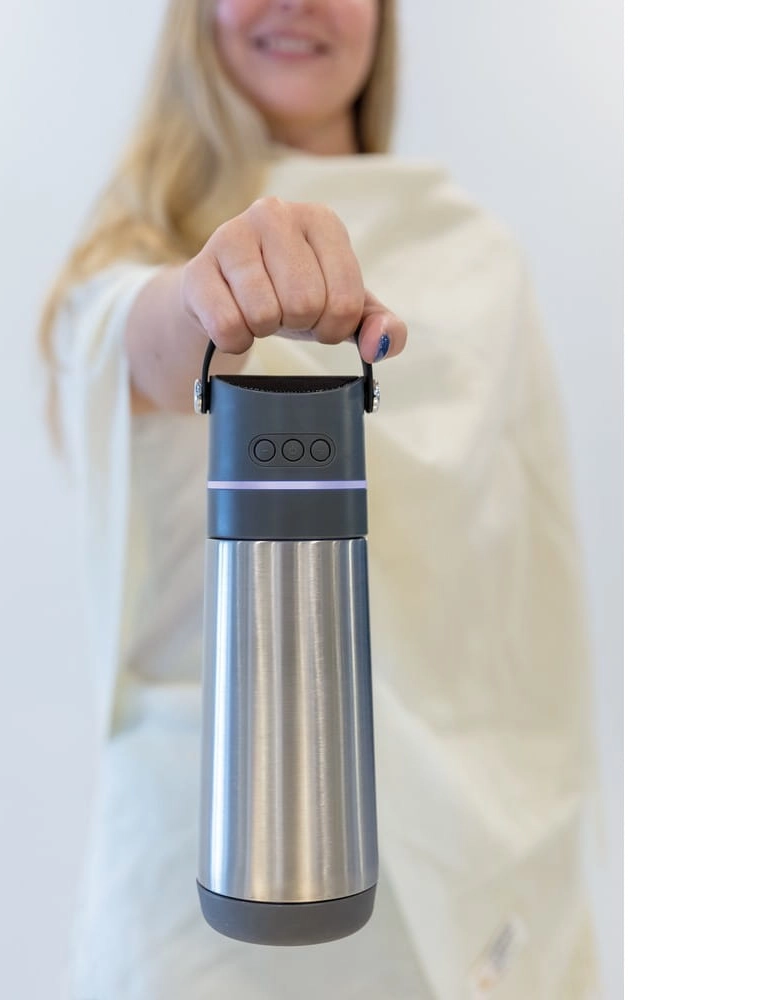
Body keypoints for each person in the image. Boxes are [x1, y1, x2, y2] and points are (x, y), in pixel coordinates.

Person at [41, 1, 598, 997]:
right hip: (192, 895)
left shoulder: (476, 254)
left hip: (447, 890)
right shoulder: (136, 248)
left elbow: (525, 595)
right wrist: (212, 291)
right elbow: (140, 339)